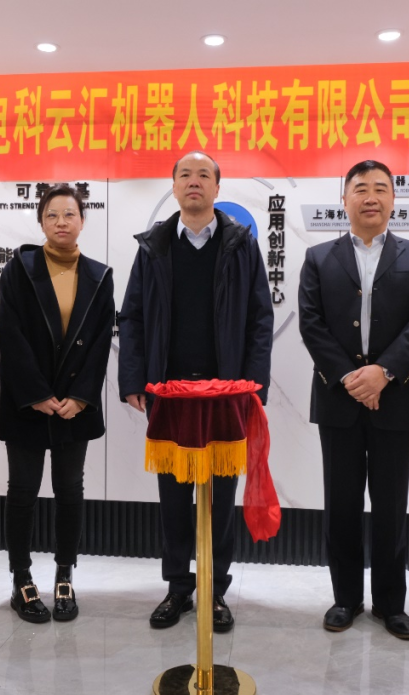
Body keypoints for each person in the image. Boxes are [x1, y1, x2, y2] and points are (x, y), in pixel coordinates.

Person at [118, 151, 273, 632]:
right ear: (173, 186)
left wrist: (253, 385)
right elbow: (132, 317)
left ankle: (215, 588)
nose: (194, 182)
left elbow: (260, 319)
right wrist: (133, 380)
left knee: (221, 498)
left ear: (217, 188)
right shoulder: (155, 247)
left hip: (226, 394)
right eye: (185, 174)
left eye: (204, 175)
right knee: (173, 497)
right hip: (169, 394)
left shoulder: (241, 245)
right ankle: (177, 588)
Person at [298, 160, 409, 639]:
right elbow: (311, 323)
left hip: (396, 396)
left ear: (393, 199)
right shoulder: (319, 257)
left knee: (391, 506)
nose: (371, 197)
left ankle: (391, 605)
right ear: (345, 199)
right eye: (360, 188)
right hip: (337, 399)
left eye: (381, 188)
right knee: (340, 504)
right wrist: (350, 377)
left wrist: (383, 373)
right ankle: (345, 599)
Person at [0, 184, 114, 623]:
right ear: (41, 222)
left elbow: (100, 342)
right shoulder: (19, 269)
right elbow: (10, 334)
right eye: (52, 215)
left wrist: (81, 397)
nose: (61, 222)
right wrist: (37, 393)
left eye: (69, 214)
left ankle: (65, 575)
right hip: (28, 402)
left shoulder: (100, 275)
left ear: (82, 221)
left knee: (69, 491)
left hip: (73, 405)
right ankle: (21, 580)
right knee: (22, 492)